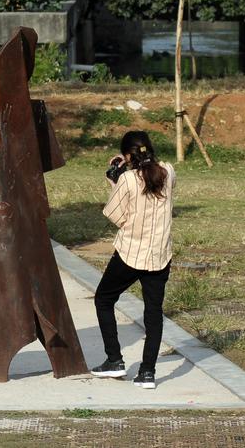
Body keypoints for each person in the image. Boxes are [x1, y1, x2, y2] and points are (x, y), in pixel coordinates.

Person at [90, 130, 175, 389]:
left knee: (104, 299)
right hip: (160, 254)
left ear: (127, 156)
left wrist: (114, 181)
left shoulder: (127, 179)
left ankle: (114, 360)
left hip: (130, 254)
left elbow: (116, 216)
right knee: (153, 313)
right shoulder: (169, 172)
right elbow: (154, 182)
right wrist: (131, 164)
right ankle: (147, 373)